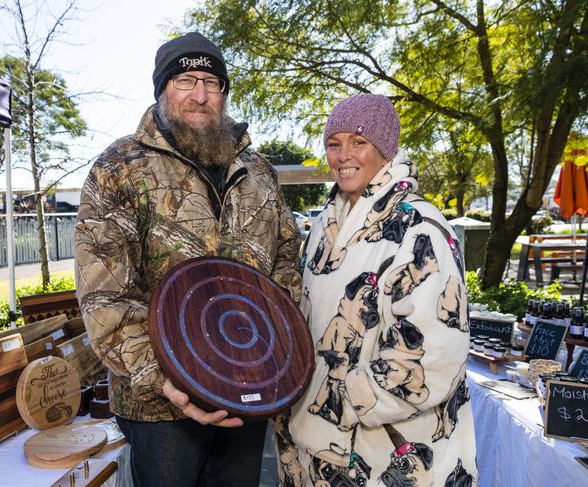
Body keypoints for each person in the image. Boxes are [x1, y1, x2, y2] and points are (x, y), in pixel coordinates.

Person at [74, 32, 302, 486]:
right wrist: (166, 382)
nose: (200, 95)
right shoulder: (118, 169)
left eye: (212, 82)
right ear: (162, 89)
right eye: (186, 79)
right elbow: (103, 296)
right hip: (160, 407)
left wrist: (276, 358)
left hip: (246, 395)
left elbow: (286, 264)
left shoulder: (256, 171)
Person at [275, 94, 477, 486]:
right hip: (314, 447)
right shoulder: (323, 227)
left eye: (358, 142)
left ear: (385, 149)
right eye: (334, 144)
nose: (343, 155)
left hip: (384, 455)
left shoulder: (421, 228)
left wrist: (340, 400)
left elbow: (433, 356)